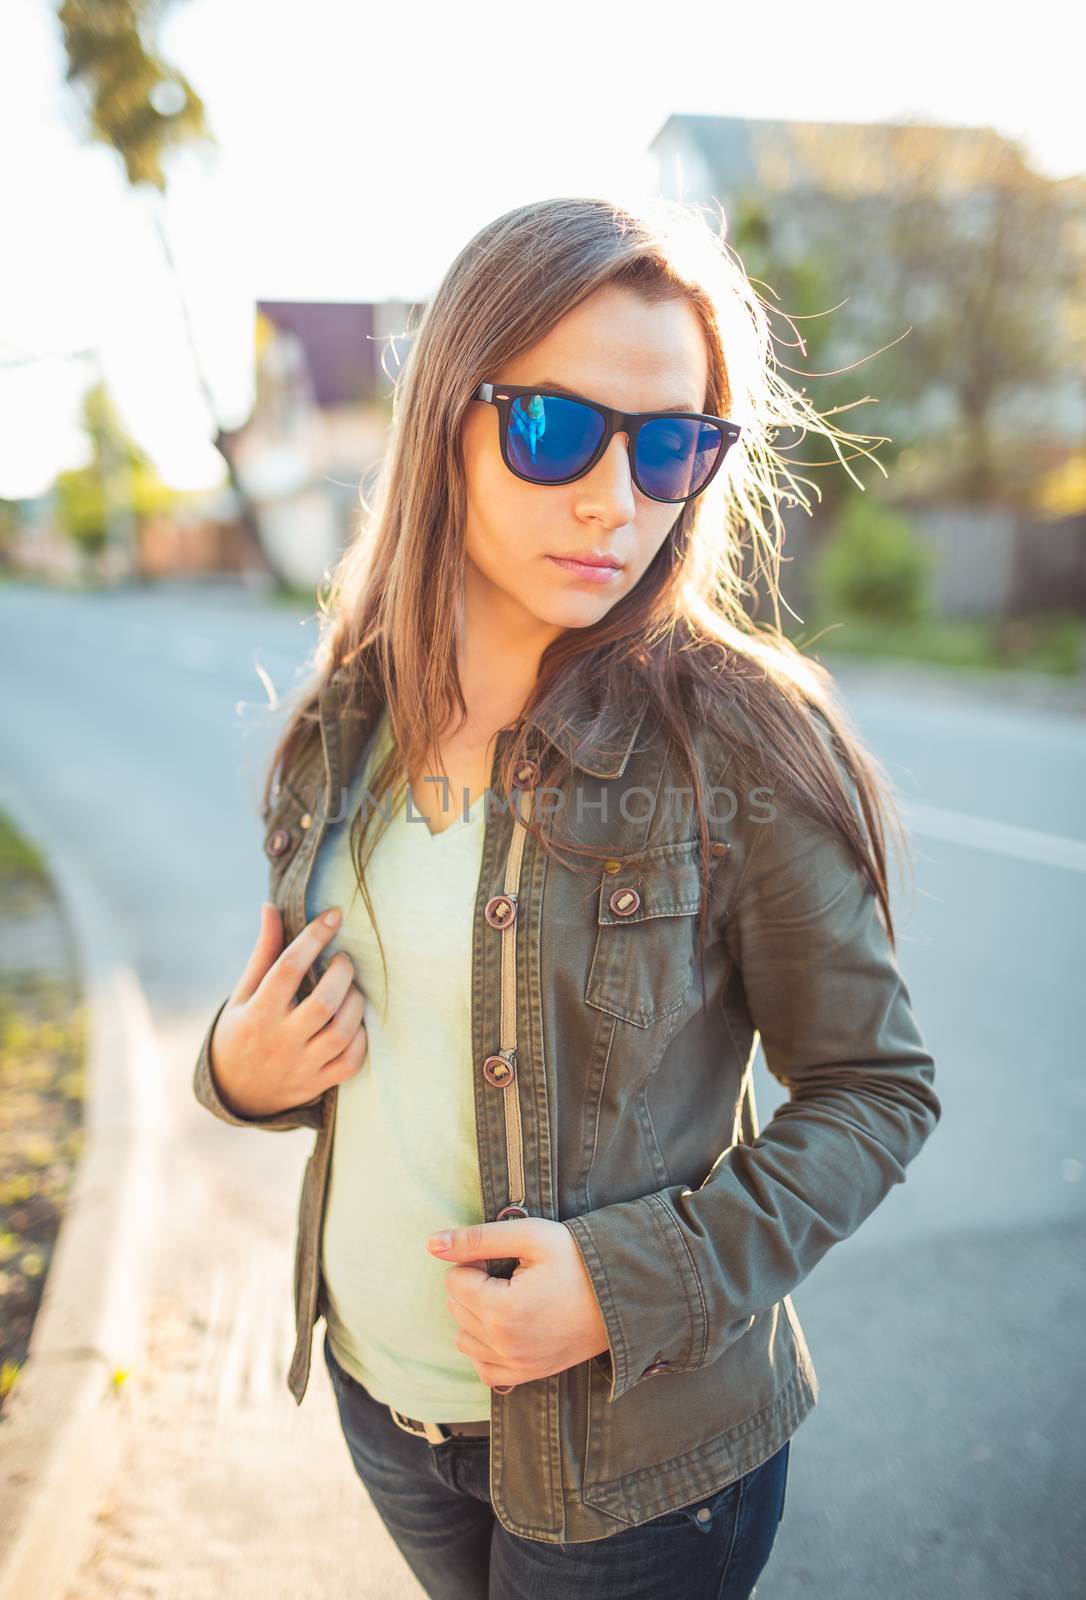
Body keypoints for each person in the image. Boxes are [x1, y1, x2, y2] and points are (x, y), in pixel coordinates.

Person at [192, 192, 941, 1599]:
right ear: (448, 425)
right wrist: (236, 1070)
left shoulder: (741, 740)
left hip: (633, 1467)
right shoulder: (336, 728)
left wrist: (623, 1281)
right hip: (378, 1400)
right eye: (554, 431)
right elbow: (333, 1054)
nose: (616, 500)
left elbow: (876, 1091)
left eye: (672, 447)